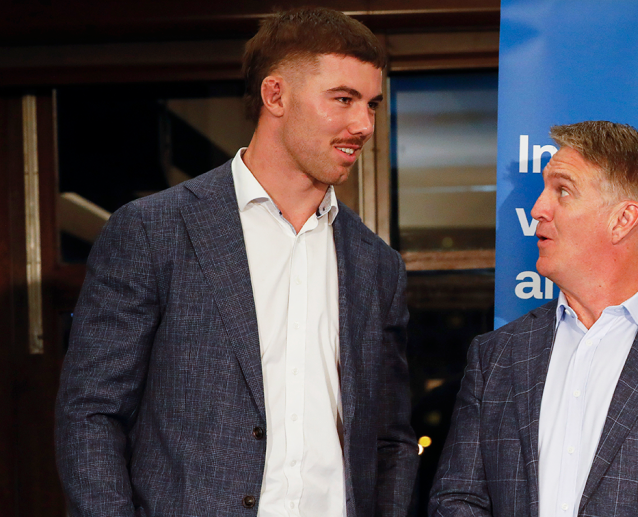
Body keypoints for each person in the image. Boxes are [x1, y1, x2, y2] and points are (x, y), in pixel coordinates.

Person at [55, 7, 417, 517]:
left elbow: (391, 438)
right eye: (343, 99)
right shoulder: (154, 231)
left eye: (372, 104)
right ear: (276, 96)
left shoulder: (376, 264)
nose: (363, 124)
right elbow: (91, 414)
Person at [430, 121, 638, 516]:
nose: (537, 209)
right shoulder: (496, 354)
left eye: (562, 191)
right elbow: (455, 500)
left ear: (622, 220)